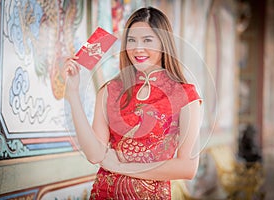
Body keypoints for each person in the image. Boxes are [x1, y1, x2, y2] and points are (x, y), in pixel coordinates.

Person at [63, 6, 202, 200]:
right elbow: (95, 155)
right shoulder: (110, 91)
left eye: (147, 40)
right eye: (131, 40)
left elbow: (187, 167)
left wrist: (122, 167)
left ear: (163, 43)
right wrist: (73, 93)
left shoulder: (185, 95)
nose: (138, 48)